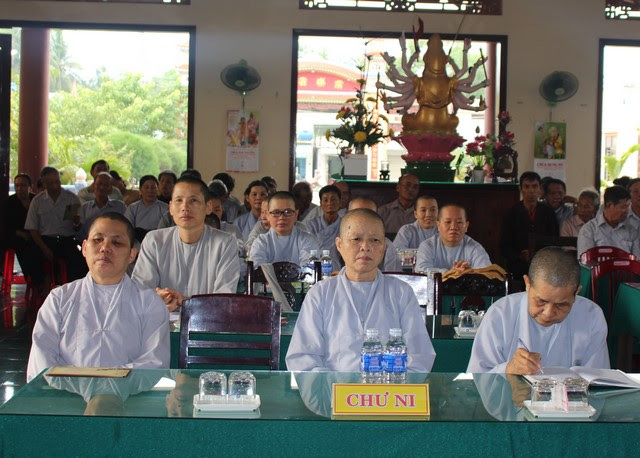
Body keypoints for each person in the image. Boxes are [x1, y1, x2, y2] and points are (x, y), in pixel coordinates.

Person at [286, 208, 436, 372]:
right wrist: (336, 386)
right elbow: (303, 358)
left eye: (375, 240)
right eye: (356, 239)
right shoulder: (320, 294)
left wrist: (391, 386)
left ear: (384, 247)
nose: (365, 247)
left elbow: (419, 356)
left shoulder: (401, 293)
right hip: (333, 387)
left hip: (389, 387)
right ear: (339, 245)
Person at [27, 212, 170, 382]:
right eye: (97, 240)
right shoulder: (59, 299)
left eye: (116, 242)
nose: (105, 248)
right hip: (66, 394)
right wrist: (81, 386)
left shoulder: (149, 302)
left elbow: (154, 362)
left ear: (132, 255)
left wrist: (107, 387)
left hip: (127, 395)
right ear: (84, 248)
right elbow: (41, 360)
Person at [467, 247, 609, 374]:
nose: (548, 313)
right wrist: (508, 369)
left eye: (561, 305)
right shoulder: (500, 314)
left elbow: (597, 380)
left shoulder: (591, 316)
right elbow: (475, 379)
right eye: (541, 301)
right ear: (527, 284)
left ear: (576, 292)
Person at [132, 176, 240, 311]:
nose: (185, 207)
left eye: (193, 200)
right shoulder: (154, 241)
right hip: (160, 319)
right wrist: (158, 298)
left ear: (208, 207)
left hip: (207, 320)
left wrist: (186, 302)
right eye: (179, 200)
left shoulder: (225, 243)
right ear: (171, 208)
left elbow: (224, 298)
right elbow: (140, 291)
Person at [24, 166, 88, 286]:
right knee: (31, 259)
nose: (55, 186)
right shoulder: (38, 201)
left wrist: (76, 222)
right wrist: (45, 248)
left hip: (66, 240)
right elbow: (33, 229)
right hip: (45, 240)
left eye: (57, 182)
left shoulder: (70, 198)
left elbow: (76, 228)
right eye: (50, 183)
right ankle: (40, 289)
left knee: (80, 263)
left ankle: (73, 290)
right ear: (43, 184)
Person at [500, 171, 558, 281]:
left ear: (540, 189)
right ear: (521, 189)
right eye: (527, 187)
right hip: (517, 267)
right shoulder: (511, 213)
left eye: (534, 186)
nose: (531, 190)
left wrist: (538, 253)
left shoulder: (548, 213)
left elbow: (554, 240)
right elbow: (504, 245)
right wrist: (520, 255)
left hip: (544, 265)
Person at [250, 191, 319, 267]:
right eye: (276, 212)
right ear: (268, 215)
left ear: (296, 214)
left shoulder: (308, 240)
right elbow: (258, 270)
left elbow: (309, 270)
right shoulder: (261, 242)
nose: (282, 218)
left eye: (288, 212)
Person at [415, 204, 491, 272]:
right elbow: (420, 269)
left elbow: (487, 273)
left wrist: (469, 272)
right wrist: (450, 273)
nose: (453, 227)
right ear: (438, 225)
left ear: (466, 226)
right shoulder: (428, 246)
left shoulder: (475, 248)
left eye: (459, 222)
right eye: (448, 222)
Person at [577, 185, 640, 258]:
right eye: (623, 207)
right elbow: (585, 260)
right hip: (599, 265)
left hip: (626, 265)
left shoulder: (631, 230)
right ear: (609, 205)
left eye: (628, 207)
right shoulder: (589, 230)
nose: (627, 211)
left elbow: (637, 259)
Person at [2, 173, 36, 279]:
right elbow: (6, 225)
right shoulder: (9, 202)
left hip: (34, 234)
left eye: (23, 185)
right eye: (17, 186)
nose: (19, 189)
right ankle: (30, 276)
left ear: (30, 187)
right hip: (15, 235)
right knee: (24, 246)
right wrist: (21, 234)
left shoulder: (35, 200)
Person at [79, 172, 127, 240]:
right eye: (99, 184)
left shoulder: (120, 207)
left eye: (106, 185)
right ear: (93, 186)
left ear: (111, 189)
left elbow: (126, 229)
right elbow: (79, 232)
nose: (102, 187)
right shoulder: (85, 208)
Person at [124, 175, 169, 243]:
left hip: (159, 241)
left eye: (153, 188)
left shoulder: (165, 208)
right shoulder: (132, 208)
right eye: (146, 187)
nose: (150, 190)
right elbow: (127, 229)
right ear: (140, 190)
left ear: (158, 190)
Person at [305, 185, 342, 253]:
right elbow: (309, 248)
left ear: (340, 202)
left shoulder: (344, 225)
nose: (329, 203)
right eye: (325, 200)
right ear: (321, 204)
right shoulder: (311, 225)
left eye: (333, 200)